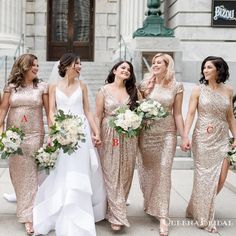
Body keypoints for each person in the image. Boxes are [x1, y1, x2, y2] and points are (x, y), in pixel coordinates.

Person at [33, 53, 106, 236]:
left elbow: (88, 111)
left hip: (80, 133)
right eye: (77, 64)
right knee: (61, 169)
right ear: (66, 66)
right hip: (61, 132)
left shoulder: (82, 86)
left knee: (79, 169)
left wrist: (96, 131)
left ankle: (78, 209)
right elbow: (51, 112)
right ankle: (59, 207)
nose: (80, 67)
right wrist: (55, 131)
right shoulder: (53, 86)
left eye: (80, 64)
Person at [181, 56, 236, 233]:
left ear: (219, 70)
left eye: (209, 67)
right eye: (204, 67)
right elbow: (190, 114)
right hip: (203, 137)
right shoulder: (198, 90)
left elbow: (230, 117)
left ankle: (195, 207)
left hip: (222, 137)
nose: (205, 70)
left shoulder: (228, 90)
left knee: (220, 178)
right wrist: (185, 136)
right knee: (204, 177)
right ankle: (204, 217)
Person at [0, 53, 49, 235]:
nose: (36, 68)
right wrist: (2, 135)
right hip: (15, 137)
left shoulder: (42, 87)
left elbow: (49, 111)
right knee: (18, 174)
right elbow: (3, 111)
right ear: (23, 66)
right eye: (33, 65)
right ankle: (25, 207)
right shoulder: (11, 87)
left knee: (30, 174)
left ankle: (29, 216)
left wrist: (54, 130)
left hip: (35, 134)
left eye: (37, 65)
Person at [137, 53, 185, 236]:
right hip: (147, 135)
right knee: (147, 173)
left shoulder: (176, 86)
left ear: (167, 66)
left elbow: (178, 114)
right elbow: (137, 109)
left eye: (159, 63)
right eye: (153, 62)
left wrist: (184, 136)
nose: (155, 65)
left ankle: (163, 217)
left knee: (164, 172)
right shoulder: (144, 85)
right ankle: (150, 202)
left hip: (167, 134)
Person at [96, 61, 139, 231]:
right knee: (112, 172)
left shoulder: (134, 91)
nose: (126, 71)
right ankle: (117, 215)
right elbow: (98, 115)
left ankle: (114, 208)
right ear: (115, 70)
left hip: (129, 135)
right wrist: (97, 134)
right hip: (109, 134)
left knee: (126, 173)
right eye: (123, 68)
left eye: (129, 69)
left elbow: (139, 113)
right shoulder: (104, 90)